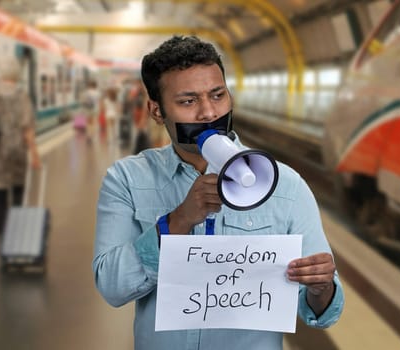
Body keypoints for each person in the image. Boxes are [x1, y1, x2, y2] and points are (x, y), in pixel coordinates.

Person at [92, 36, 344, 350]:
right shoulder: (126, 179)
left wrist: (321, 288)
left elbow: (323, 313)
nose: (208, 113)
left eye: (217, 95)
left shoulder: (286, 185)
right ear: (156, 111)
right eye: (188, 101)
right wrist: (179, 221)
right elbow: (113, 287)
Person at [0, 57, 41, 238]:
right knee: (18, 194)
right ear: (17, 74)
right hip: (17, 152)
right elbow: (27, 128)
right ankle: (16, 235)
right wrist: (34, 154)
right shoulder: (22, 96)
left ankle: (3, 238)